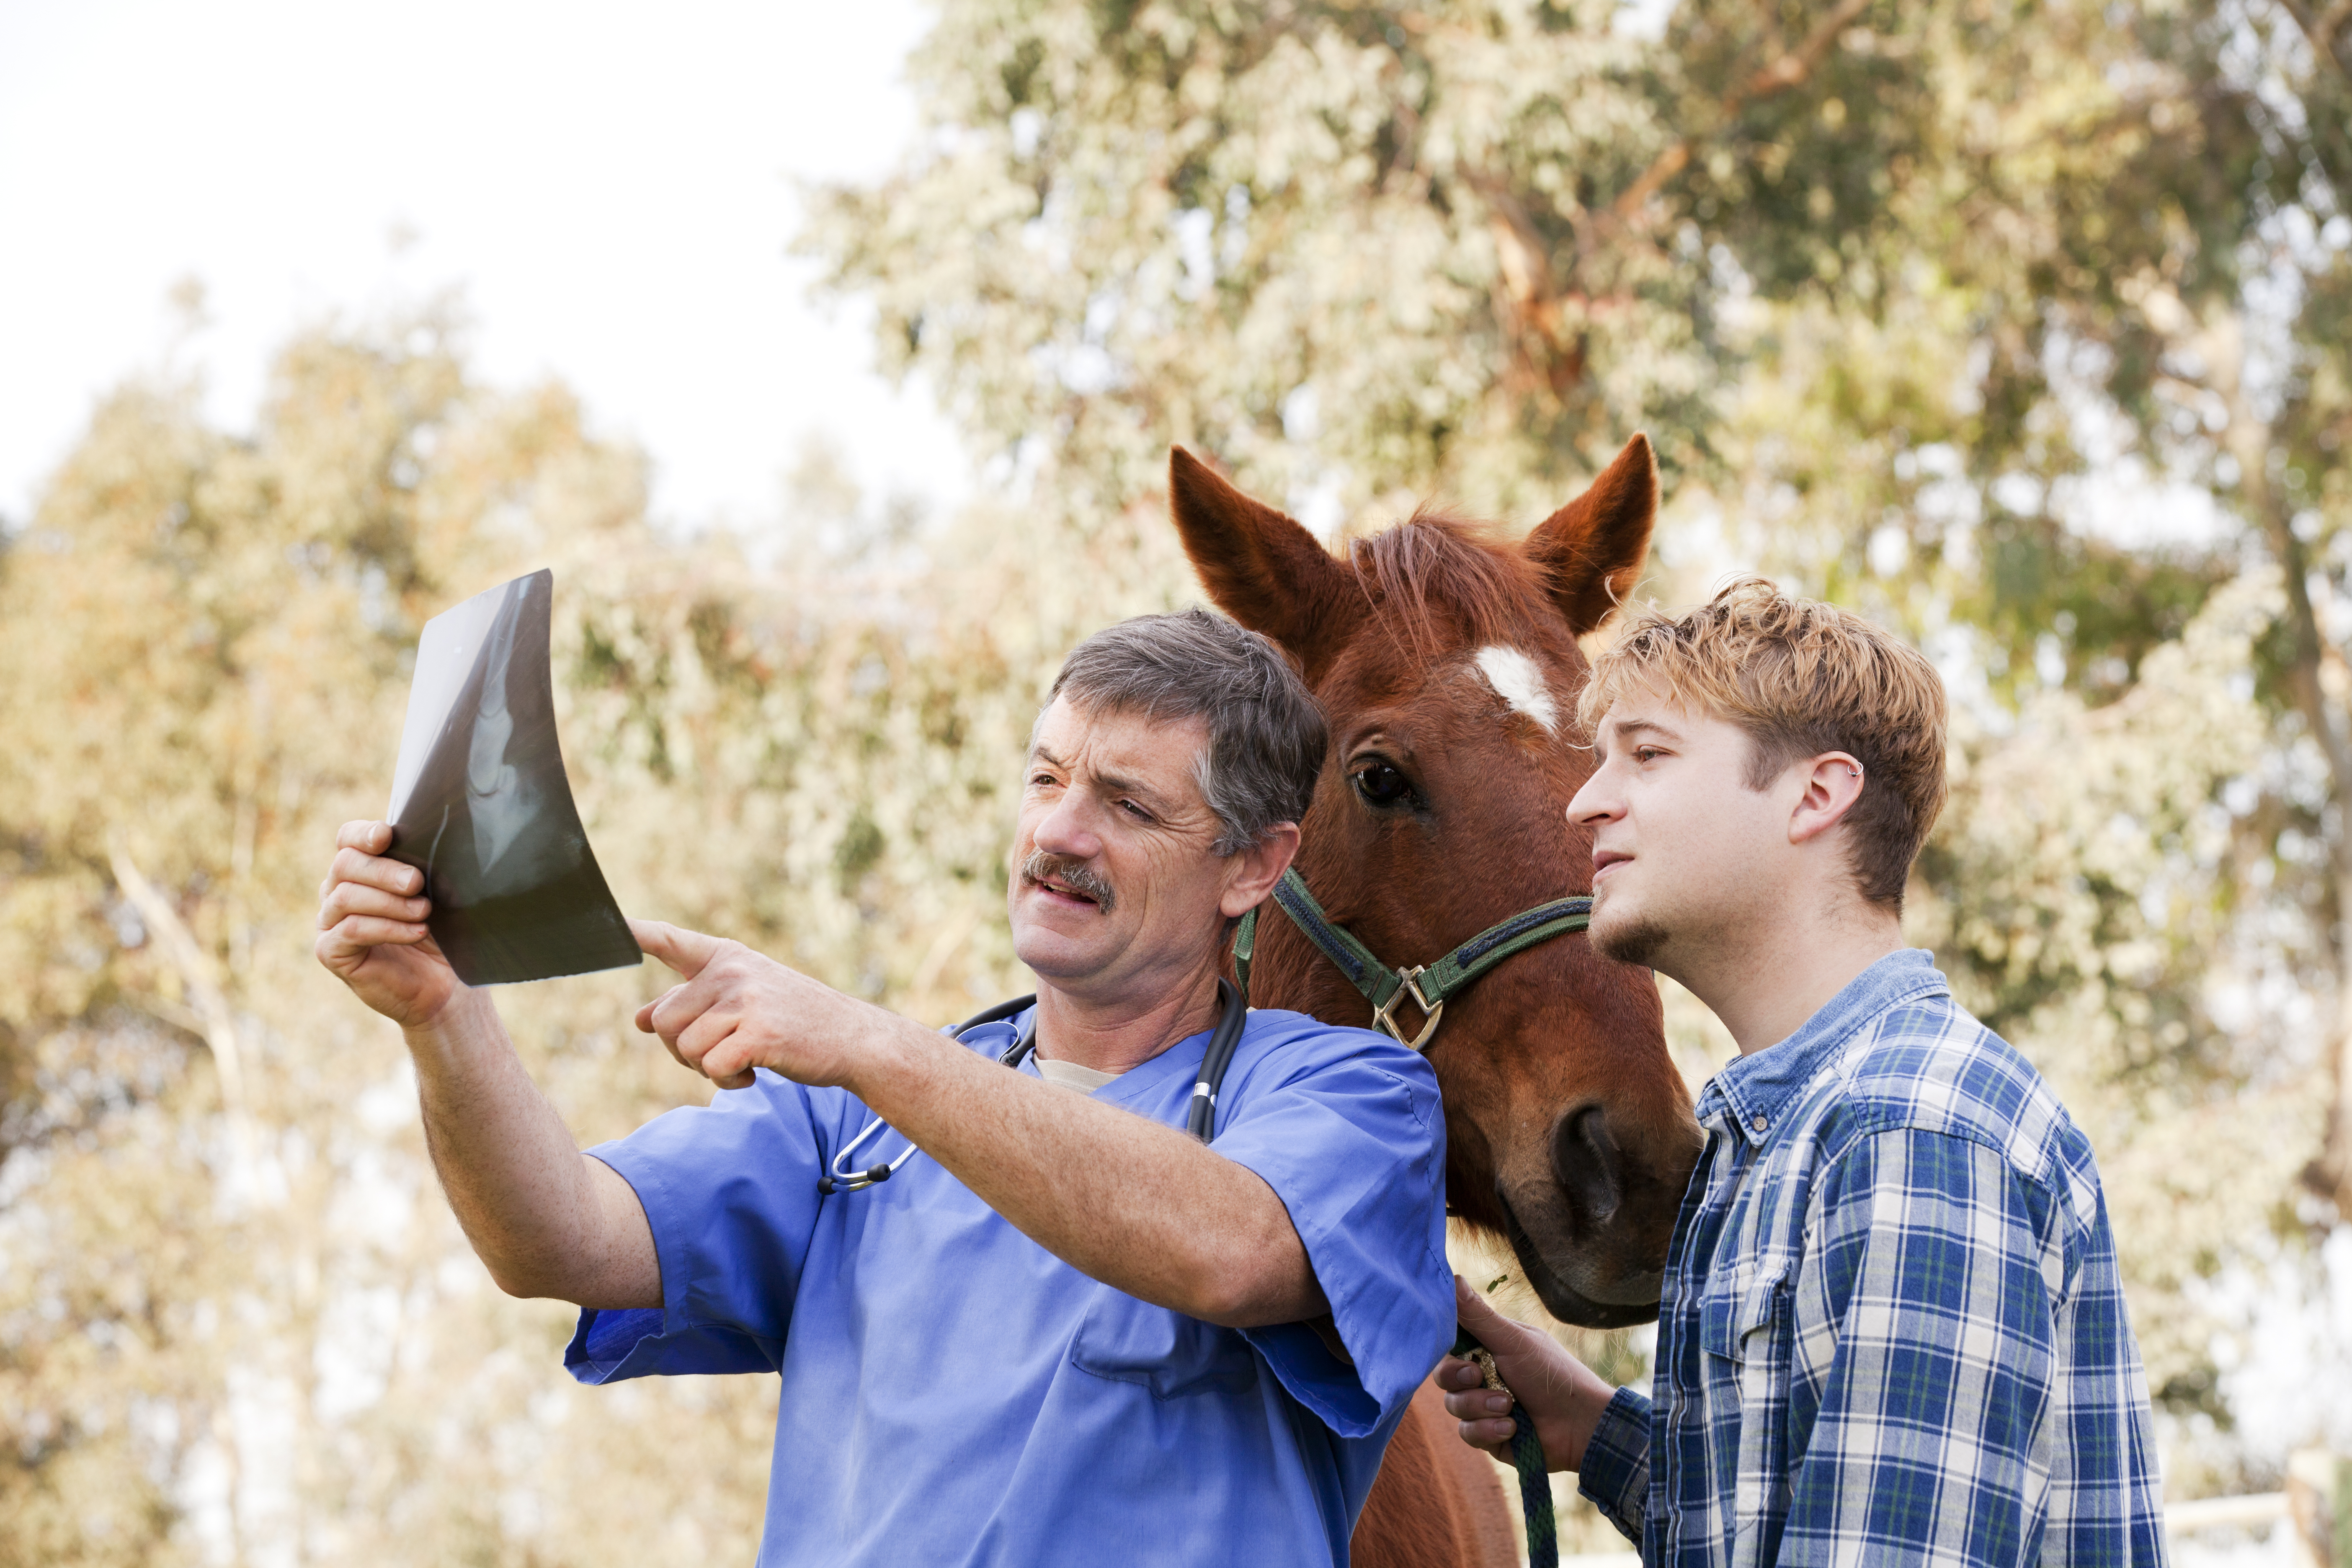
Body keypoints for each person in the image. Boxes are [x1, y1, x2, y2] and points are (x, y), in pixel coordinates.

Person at [317, 609, 1454, 1566]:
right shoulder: (853, 1126)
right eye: (1046, 778)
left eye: (1127, 804)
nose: (1059, 832)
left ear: (1254, 864)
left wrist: (873, 1045)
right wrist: (442, 1015)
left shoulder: (1352, 1098)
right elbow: (555, 1240)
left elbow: (1233, 1249)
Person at [1439, 579, 2169, 1565]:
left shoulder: (1909, 1134)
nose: (1585, 802)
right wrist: (1590, 1425)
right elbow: (1785, 1516)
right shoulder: (1782, 1139)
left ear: (1816, 796)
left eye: (1647, 755)